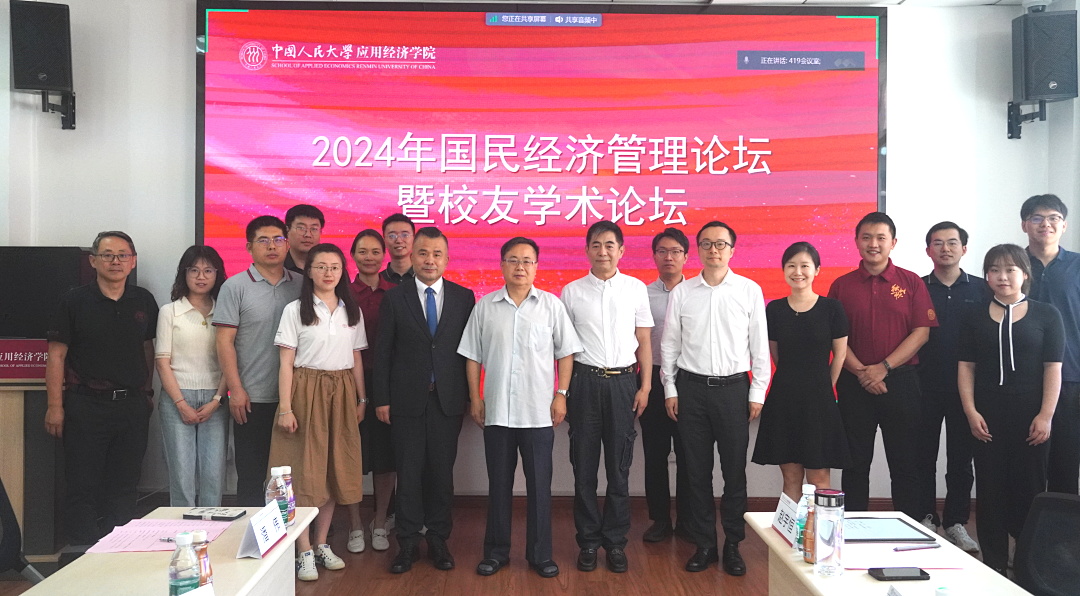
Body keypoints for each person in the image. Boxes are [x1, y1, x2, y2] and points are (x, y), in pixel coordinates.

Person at [458, 237, 582, 579]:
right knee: (498, 485)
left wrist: (561, 394)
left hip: (538, 412)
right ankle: (496, 553)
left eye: (527, 260)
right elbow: (472, 356)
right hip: (497, 411)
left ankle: (541, 555)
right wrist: (475, 398)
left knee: (540, 487)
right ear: (502, 265)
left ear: (536, 266)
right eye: (513, 260)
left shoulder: (551, 306)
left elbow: (566, 353)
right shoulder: (485, 307)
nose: (520, 267)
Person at [661, 221, 770, 576]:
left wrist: (757, 392)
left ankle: (733, 544)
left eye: (721, 244)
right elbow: (670, 344)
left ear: (732, 250)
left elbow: (759, 346)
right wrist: (670, 388)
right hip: (691, 390)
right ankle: (704, 543)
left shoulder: (749, 290)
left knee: (734, 472)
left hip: (734, 391)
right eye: (706, 243)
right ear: (698, 250)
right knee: (696, 472)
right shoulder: (683, 292)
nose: (714, 250)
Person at [44, 231, 159, 544]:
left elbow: (148, 348)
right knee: (82, 483)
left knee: (125, 484)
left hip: (132, 406)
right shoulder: (74, 301)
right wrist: (55, 406)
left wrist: (147, 393)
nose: (115, 261)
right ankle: (83, 552)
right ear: (93, 261)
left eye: (123, 255)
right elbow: (56, 355)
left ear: (133, 261)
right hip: (85, 405)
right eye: (107, 255)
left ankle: (119, 551)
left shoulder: (143, 300)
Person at [373, 227, 475, 574]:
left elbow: (470, 353)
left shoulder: (464, 297)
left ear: (446, 259)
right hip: (405, 402)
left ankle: (438, 539)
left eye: (436, 254)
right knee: (409, 473)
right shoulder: (395, 298)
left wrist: (471, 396)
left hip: (448, 401)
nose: (430, 260)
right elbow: (384, 352)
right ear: (411, 256)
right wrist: (382, 399)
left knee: (441, 474)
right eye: (423, 253)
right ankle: (407, 542)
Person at [959, 243, 1063, 574]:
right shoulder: (973, 316)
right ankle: (993, 565)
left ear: (1025, 274)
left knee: (1030, 489)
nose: (1002, 276)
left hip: (1031, 415)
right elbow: (966, 367)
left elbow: (1053, 368)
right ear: (987, 276)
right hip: (987, 415)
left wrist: (1046, 415)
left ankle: (1027, 564)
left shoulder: (1047, 314)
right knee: (989, 490)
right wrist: (971, 412)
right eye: (994, 270)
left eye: (1010, 269)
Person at [827, 211, 936, 519]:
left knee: (905, 463)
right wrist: (863, 373)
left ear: (893, 243)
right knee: (855, 463)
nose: (873, 244)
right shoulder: (841, 285)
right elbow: (834, 338)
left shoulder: (911, 282)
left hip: (901, 383)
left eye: (880, 238)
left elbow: (921, 333)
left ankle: (908, 529)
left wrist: (883, 368)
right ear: (856, 242)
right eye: (866, 237)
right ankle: (852, 528)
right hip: (854, 384)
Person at [269, 243, 367, 581]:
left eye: (335, 267)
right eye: (321, 266)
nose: (328, 272)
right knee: (303, 473)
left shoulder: (351, 311)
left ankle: (322, 543)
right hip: (305, 391)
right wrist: (285, 407)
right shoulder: (295, 310)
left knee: (333, 470)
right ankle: (304, 550)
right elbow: (286, 363)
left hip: (341, 393)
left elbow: (356, 359)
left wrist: (362, 400)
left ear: (343, 272)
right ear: (309, 271)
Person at [560, 220, 653, 574]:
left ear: (621, 250)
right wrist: (562, 391)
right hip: (584, 384)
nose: (603, 251)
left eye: (610, 245)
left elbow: (643, 341)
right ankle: (587, 542)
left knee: (619, 468)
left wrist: (645, 387)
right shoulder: (571, 291)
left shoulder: (635, 289)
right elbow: (565, 349)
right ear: (587, 250)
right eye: (596, 245)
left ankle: (615, 542)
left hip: (623, 384)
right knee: (583, 469)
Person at [213, 216, 303, 506]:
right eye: (263, 240)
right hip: (252, 397)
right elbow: (224, 342)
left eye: (278, 239)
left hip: (296, 397)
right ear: (249, 247)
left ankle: (294, 531)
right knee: (252, 474)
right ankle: (252, 531)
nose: (272, 246)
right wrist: (236, 390)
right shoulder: (235, 286)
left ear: (287, 245)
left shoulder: (302, 285)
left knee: (293, 474)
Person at [752, 242, 850, 500]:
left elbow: (840, 355)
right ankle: (791, 528)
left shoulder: (832, 308)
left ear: (817, 270)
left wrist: (824, 386)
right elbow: (775, 354)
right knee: (791, 477)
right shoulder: (774, 309)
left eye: (805, 266)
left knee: (819, 478)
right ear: (783, 270)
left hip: (819, 401)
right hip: (784, 399)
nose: (798, 272)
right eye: (791, 266)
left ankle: (820, 527)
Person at [915, 222, 988, 551]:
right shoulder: (916, 287)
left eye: (952, 242)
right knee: (922, 457)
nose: (945, 248)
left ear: (964, 249)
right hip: (923, 385)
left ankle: (956, 521)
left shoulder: (982, 289)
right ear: (928, 250)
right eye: (938, 243)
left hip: (967, 390)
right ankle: (925, 517)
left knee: (961, 459)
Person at [155, 245, 230, 507]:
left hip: (215, 400)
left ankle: (212, 529)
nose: (201, 276)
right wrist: (181, 404)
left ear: (217, 274)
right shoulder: (170, 311)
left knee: (213, 475)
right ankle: (183, 529)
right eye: (194, 270)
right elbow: (162, 362)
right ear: (183, 274)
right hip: (177, 398)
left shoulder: (225, 311)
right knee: (182, 476)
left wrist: (217, 399)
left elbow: (229, 361)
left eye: (208, 270)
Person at [1022, 194, 1080, 495]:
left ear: (1064, 225)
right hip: (1022, 379)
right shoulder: (1012, 265)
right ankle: (1025, 525)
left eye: (1053, 218)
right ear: (1024, 225)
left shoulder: (1077, 266)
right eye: (1037, 218)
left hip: (1071, 377)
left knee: (1066, 463)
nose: (1045, 224)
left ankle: (1061, 527)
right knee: (1025, 464)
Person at [345, 229, 397, 553]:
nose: (369, 257)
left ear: (384, 255)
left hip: (386, 383)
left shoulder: (396, 293)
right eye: (362, 251)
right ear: (352, 255)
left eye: (375, 251)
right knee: (349, 456)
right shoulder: (342, 293)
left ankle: (380, 521)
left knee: (385, 456)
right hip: (346, 383)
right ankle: (354, 524)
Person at [640, 227, 691, 543]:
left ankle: (687, 520)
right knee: (655, 454)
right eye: (662, 251)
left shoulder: (698, 292)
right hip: (653, 378)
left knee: (689, 454)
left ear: (686, 256)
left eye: (675, 251)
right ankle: (659, 519)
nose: (668, 256)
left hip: (689, 380)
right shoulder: (642, 295)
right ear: (655, 256)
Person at [284, 204, 324, 274]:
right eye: (301, 228)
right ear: (287, 230)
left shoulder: (331, 269)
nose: (308, 235)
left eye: (314, 229)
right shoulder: (276, 267)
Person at [381, 213, 415, 285]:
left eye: (405, 235)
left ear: (414, 239)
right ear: (384, 241)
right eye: (392, 236)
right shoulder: (378, 281)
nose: (399, 241)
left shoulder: (424, 278)